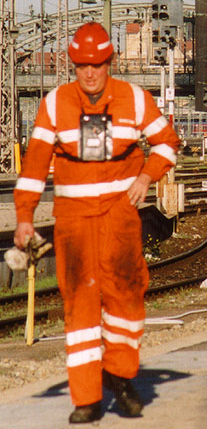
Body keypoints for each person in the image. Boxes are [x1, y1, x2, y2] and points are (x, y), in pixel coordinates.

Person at [13, 22, 180, 424]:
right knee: (80, 304)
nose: (89, 73)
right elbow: (35, 167)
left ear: (111, 62)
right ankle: (86, 398)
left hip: (119, 218)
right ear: (73, 64)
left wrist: (146, 177)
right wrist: (24, 219)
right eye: (82, 65)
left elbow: (166, 143)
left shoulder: (135, 100)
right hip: (73, 222)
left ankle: (121, 376)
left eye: (98, 65)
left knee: (126, 296)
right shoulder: (54, 105)